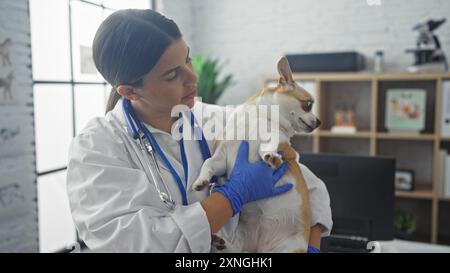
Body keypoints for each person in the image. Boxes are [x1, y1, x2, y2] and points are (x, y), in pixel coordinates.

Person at [66, 9, 332, 253]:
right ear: (129, 91)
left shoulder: (221, 121)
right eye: (172, 75)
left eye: (188, 59)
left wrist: (311, 246)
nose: (193, 77)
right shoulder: (96, 150)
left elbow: (310, 187)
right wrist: (232, 197)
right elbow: (141, 246)